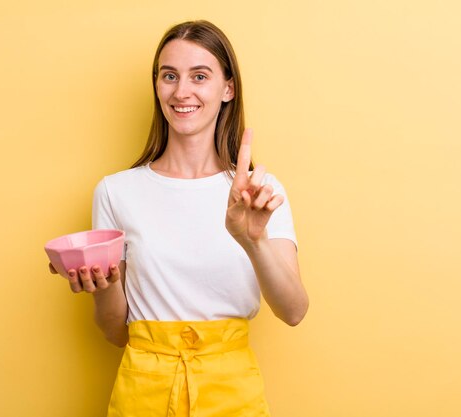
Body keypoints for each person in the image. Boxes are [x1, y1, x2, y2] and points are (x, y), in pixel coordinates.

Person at [50, 20, 309, 417]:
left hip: (232, 393)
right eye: (169, 76)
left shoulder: (260, 191)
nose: (181, 91)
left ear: (228, 88)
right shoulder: (116, 192)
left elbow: (293, 311)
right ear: (157, 85)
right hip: (142, 394)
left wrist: (252, 240)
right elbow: (117, 332)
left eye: (199, 76)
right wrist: (104, 285)